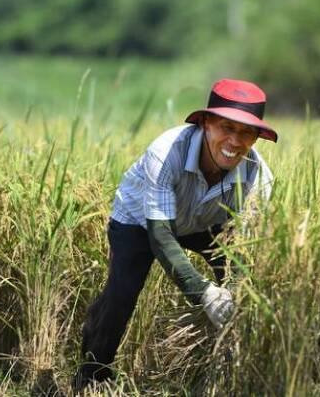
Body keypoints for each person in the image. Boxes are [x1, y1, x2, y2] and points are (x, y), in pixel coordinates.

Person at [73, 78, 277, 391]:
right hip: (141, 223)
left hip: (209, 225)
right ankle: (92, 376)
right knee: (122, 294)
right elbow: (161, 236)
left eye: (246, 132)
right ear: (206, 123)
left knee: (241, 294)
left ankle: (224, 377)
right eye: (226, 127)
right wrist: (204, 293)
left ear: (256, 137)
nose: (235, 141)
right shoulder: (167, 151)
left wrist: (234, 288)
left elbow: (244, 246)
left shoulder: (258, 175)